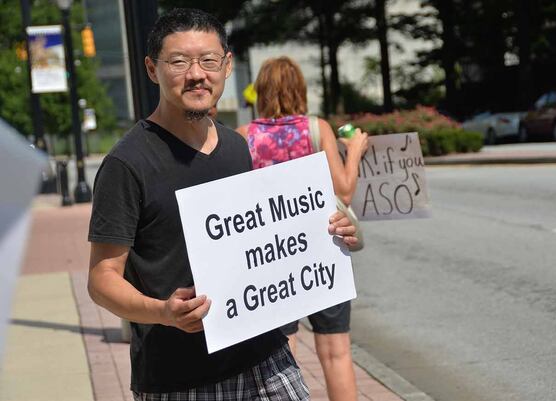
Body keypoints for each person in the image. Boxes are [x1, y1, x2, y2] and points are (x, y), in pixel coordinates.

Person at [87, 9, 359, 401]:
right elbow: (101, 280)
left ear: (227, 66)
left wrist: (327, 230)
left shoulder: (237, 146)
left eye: (208, 60)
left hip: (268, 359)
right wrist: (163, 311)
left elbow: (263, 237)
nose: (197, 73)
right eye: (179, 62)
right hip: (181, 378)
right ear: (152, 69)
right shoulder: (126, 164)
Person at [236, 56, 368, 401]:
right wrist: (353, 152)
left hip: (272, 255)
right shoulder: (316, 128)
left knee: (281, 351)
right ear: (300, 90)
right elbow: (343, 190)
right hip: (323, 246)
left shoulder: (245, 136)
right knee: (336, 348)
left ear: (261, 92)